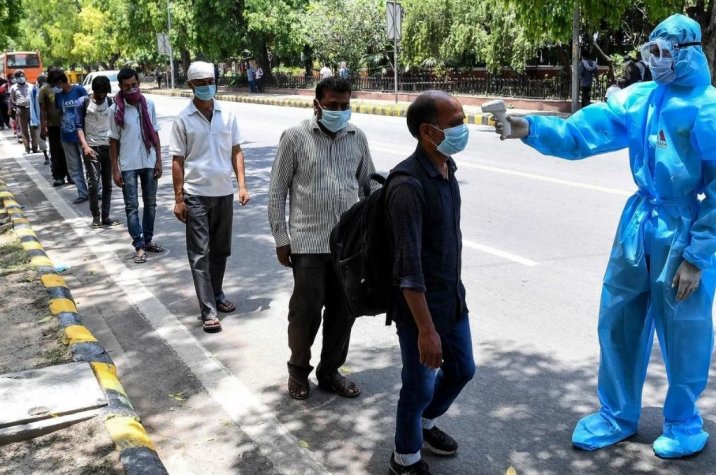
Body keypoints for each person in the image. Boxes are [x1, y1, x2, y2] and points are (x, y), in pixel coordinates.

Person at [496, 14, 716, 459]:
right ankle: (616, 413)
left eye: (665, 53)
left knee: (684, 329)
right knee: (618, 317)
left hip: (684, 225)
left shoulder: (708, 107)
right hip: (639, 223)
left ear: (689, 53)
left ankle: (683, 419)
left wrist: (698, 253)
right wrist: (528, 127)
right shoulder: (641, 99)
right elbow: (583, 132)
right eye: (650, 52)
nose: (655, 61)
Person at [268, 77, 376, 400]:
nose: (340, 111)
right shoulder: (295, 138)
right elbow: (277, 191)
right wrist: (280, 237)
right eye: (332, 106)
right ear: (317, 105)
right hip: (308, 242)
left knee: (344, 312)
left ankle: (330, 371)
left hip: (348, 247)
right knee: (306, 310)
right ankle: (298, 369)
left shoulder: (357, 138)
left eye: (345, 106)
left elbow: (368, 184)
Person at [385, 91, 476, 475]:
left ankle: (424, 423)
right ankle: (404, 458)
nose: (463, 128)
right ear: (427, 131)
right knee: (419, 386)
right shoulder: (408, 185)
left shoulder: (446, 169)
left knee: (462, 370)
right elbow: (408, 268)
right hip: (419, 309)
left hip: (452, 300)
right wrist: (426, 330)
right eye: (455, 123)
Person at [170, 61, 250, 332]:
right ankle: (208, 309)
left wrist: (242, 185)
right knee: (200, 254)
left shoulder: (227, 115)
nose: (207, 86)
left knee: (220, 250)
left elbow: (236, 151)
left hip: (223, 193)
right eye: (201, 82)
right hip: (196, 194)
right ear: (191, 85)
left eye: (210, 81)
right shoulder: (183, 120)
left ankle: (216, 293)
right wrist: (179, 198)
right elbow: (177, 160)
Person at [109, 68, 165, 264]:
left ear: (138, 83)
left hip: (149, 161)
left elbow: (155, 134)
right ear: (120, 87)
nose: (131, 89)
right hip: (128, 164)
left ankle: (148, 240)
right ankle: (139, 245)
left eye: (134, 84)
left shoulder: (149, 105)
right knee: (132, 207)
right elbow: (113, 141)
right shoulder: (115, 110)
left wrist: (159, 159)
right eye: (127, 86)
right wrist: (115, 169)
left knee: (151, 204)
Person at [77, 75, 120, 229]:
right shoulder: (83, 103)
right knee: (94, 184)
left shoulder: (110, 102)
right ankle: (96, 216)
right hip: (91, 149)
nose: (102, 96)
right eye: (99, 93)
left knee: (108, 184)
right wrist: (85, 146)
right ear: (94, 91)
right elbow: (79, 126)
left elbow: (116, 125)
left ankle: (106, 216)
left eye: (104, 93)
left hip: (108, 148)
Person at [53, 71, 89, 203]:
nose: (55, 88)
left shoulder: (79, 90)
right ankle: (82, 193)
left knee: (89, 164)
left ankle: (97, 191)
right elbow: (61, 114)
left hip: (82, 136)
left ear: (60, 82)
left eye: (55, 84)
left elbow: (88, 109)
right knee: (74, 167)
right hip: (66, 136)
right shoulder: (59, 96)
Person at [40, 68, 70, 187]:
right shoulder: (44, 90)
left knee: (68, 150)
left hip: (66, 124)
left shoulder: (63, 87)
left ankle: (70, 174)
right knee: (56, 151)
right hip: (53, 125)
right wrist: (43, 127)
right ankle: (58, 176)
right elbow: (42, 110)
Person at [9, 70, 33, 154]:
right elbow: (12, 99)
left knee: (33, 128)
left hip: (31, 109)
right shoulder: (13, 87)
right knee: (24, 130)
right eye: (19, 77)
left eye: (22, 76)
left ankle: (35, 147)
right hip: (21, 109)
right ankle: (27, 147)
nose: (21, 78)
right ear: (16, 78)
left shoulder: (31, 86)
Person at [29, 74, 49, 163]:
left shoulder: (51, 90)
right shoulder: (34, 91)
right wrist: (34, 121)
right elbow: (32, 107)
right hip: (39, 119)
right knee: (41, 138)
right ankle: (46, 156)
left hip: (50, 118)